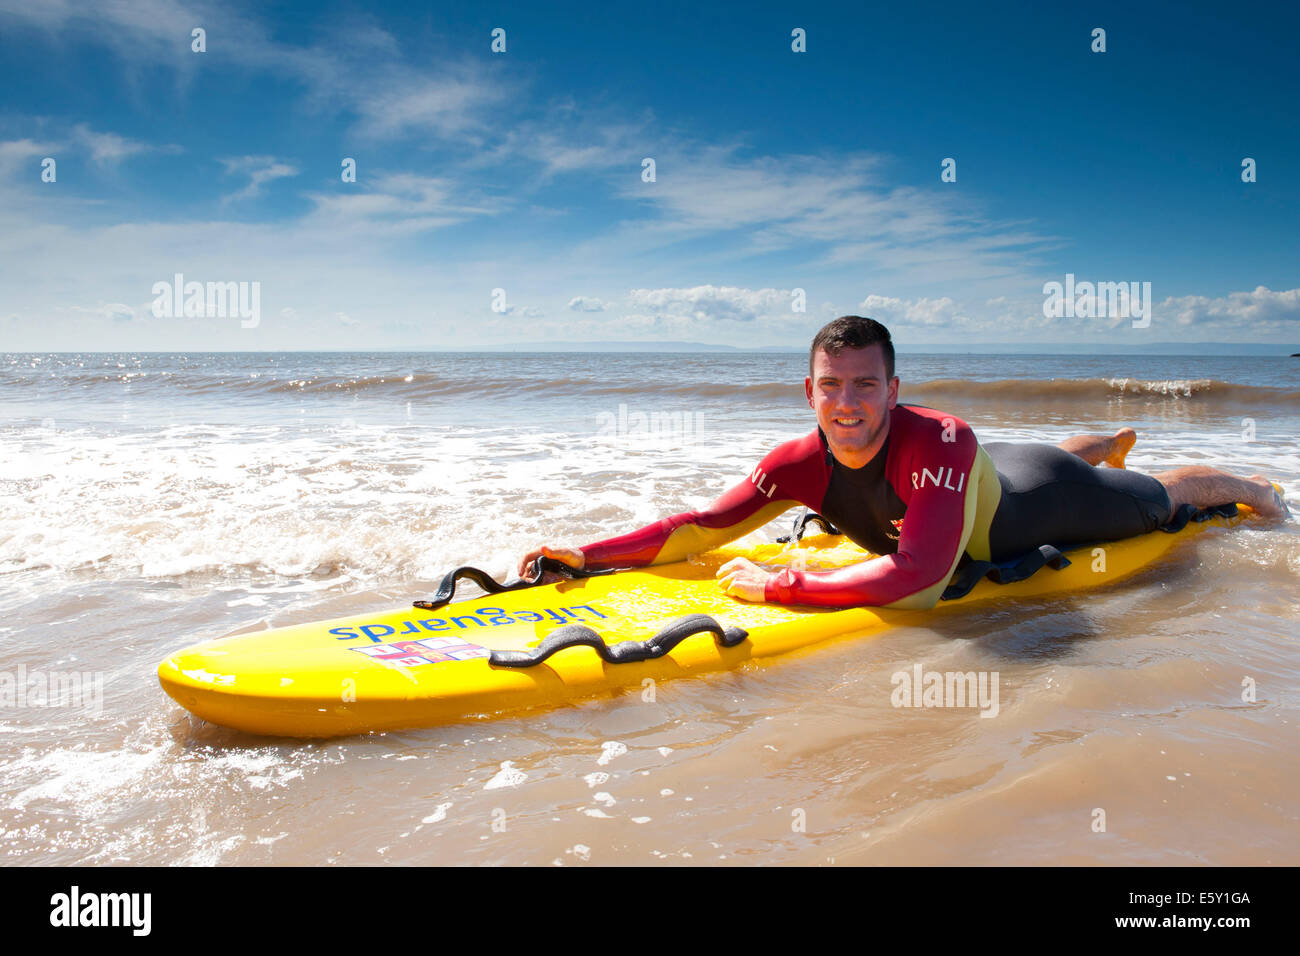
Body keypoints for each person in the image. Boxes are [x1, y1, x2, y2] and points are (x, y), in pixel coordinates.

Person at [519, 316, 1288, 610]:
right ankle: (1105, 437)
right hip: (990, 472)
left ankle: (1244, 481)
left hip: (1030, 507)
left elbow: (920, 572)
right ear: (809, 392)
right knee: (1044, 453)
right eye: (831, 386)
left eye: (865, 384)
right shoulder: (793, 463)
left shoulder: (940, 439)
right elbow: (702, 527)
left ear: (894, 389)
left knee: (1156, 494)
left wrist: (780, 588)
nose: (846, 402)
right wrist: (586, 555)